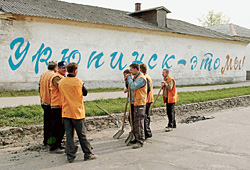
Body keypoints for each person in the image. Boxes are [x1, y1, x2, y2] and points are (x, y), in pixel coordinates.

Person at [58, 62, 97, 163]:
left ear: (67, 70)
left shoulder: (61, 82)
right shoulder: (78, 82)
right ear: (75, 70)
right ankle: (88, 154)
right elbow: (85, 93)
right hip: (77, 112)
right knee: (82, 134)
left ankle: (70, 156)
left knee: (69, 135)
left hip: (66, 112)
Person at [124, 63, 147, 149]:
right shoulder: (136, 77)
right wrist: (127, 80)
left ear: (136, 69)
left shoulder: (141, 78)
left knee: (139, 122)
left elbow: (133, 86)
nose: (130, 72)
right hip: (135, 102)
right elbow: (129, 86)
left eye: (131, 70)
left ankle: (140, 140)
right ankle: (135, 137)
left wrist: (129, 78)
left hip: (140, 103)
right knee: (133, 121)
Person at [49, 61, 67, 153]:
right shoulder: (56, 77)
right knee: (56, 127)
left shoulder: (62, 77)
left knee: (61, 127)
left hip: (62, 105)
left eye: (65, 68)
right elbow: (61, 87)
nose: (65, 69)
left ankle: (58, 144)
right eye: (63, 68)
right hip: (57, 106)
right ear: (58, 68)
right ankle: (53, 146)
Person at [39, 61, 58, 146]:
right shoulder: (53, 76)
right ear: (55, 68)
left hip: (43, 101)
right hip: (51, 102)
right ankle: (52, 142)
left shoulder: (43, 75)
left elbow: (39, 87)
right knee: (53, 124)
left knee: (46, 123)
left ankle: (45, 140)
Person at [140, 63, 153, 139]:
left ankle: (147, 132)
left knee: (145, 116)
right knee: (146, 116)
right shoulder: (146, 76)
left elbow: (148, 89)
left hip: (147, 100)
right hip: (148, 99)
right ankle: (147, 131)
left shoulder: (145, 77)